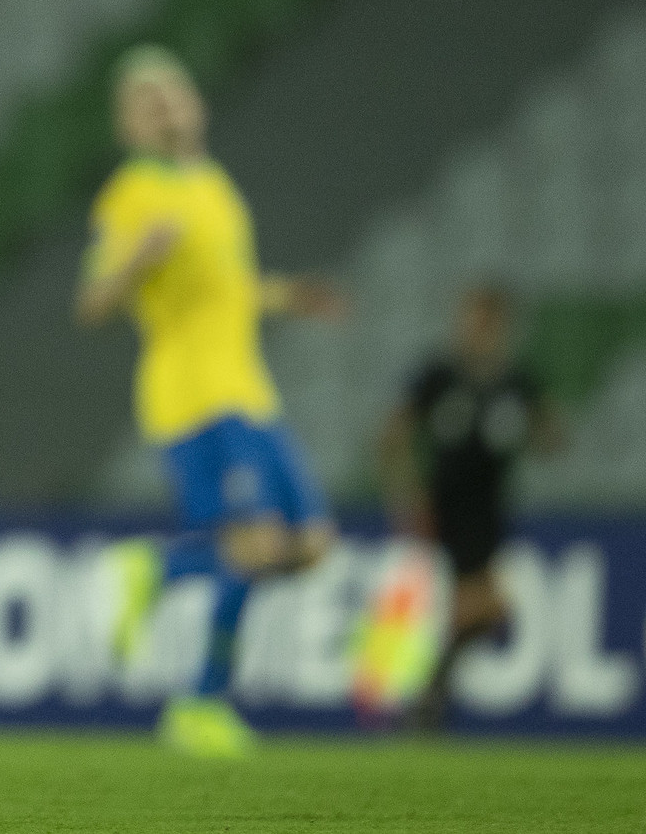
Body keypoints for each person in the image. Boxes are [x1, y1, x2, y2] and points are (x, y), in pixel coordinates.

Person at [75, 46, 344, 757]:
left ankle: (158, 570)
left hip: (250, 391)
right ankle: (198, 701)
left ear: (197, 104)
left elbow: (231, 287)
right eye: (146, 99)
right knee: (254, 546)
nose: (164, 105)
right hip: (193, 395)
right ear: (128, 124)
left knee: (310, 545)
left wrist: (288, 294)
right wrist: (138, 256)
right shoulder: (133, 191)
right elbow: (93, 301)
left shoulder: (214, 185)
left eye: (173, 92)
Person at [378, 282, 562, 728]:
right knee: (483, 607)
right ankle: (426, 699)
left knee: (485, 610)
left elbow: (552, 435)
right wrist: (406, 491)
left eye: (486, 321)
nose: (477, 329)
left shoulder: (516, 380)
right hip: (447, 503)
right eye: (472, 318)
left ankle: (427, 699)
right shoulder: (439, 374)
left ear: (500, 326)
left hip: (490, 507)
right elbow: (394, 433)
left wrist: (541, 433)